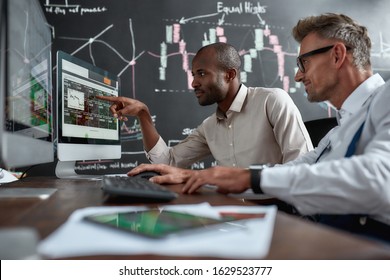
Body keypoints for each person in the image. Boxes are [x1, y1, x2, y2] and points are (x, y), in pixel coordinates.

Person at [129, 13, 390, 243]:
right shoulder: (340, 130)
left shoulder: (385, 98)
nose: (298, 76)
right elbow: (297, 170)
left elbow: (380, 178)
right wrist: (202, 178)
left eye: (304, 63)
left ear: (337, 55)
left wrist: (249, 178)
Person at [98, 42, 312, 168]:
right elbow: (167, 162)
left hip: (278, 215)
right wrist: (143, 114)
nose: (194, 82)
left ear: (229, 75)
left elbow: (302, 168)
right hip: (228, 218)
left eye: (201, 73)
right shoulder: (210, 127)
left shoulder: (272, 101)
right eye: (193, 74)